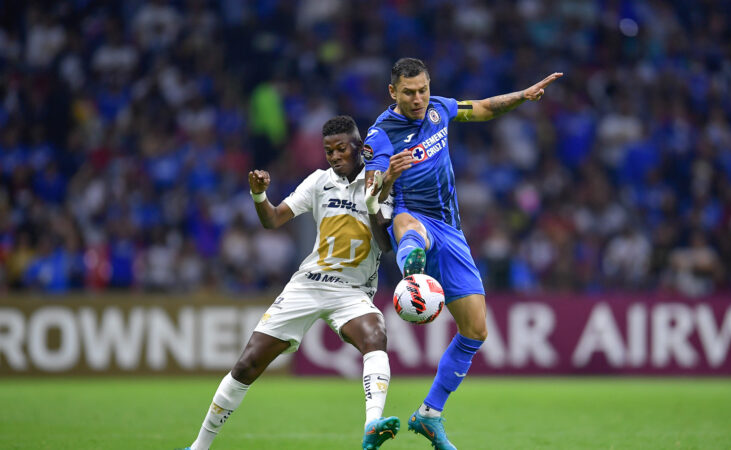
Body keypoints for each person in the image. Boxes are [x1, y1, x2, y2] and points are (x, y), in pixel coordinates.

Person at [365, 58, 563, 449]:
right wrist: (387, 178)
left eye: (422, 89)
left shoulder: (439, 108)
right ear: (393, 92)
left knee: (475, 330)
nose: (418, 98)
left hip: (451, 231)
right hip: (410, 214)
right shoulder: (381, 134)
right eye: (409, 92)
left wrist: (523, 96)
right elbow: (371, 194)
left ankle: (429, 414)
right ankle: (413, 276)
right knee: (408, 227)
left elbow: (484, 108)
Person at [185, 115, 404, 450]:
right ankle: (198, 447)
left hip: (352, 291)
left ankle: (372, 425)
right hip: (309, 284)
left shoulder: (382, 182)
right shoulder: (318, 181)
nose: (334, 156)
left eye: (341, 148)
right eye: (328, 151)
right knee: (248, 363)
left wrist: (374, 201)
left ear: (359, 147)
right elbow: (273, 219)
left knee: (376, 335)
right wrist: (259, 195)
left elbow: (386, 245)